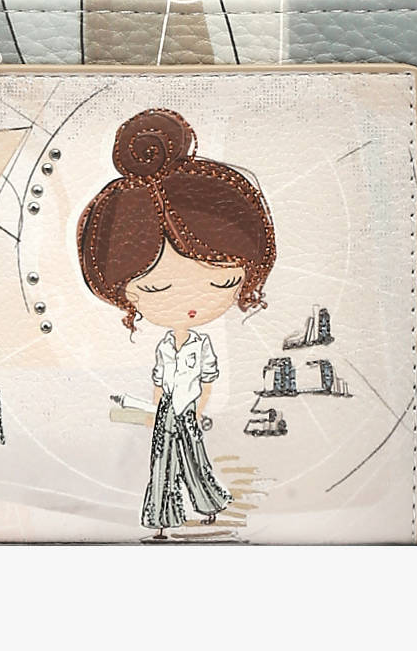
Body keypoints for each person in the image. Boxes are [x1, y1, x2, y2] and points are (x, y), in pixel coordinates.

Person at [77, 108, 276, 536]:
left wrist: (196, 410)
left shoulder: (200, 347)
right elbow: (159, 381)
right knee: (164, 460)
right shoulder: (166, 346)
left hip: (187, 409)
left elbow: (206, 381)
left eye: (223, 281)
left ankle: (208, 502)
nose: (188, 305)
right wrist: (156, 410)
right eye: (154, 288)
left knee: (192, 457)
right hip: (168, 409)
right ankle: (164, 515)